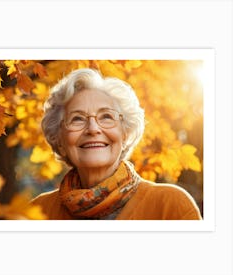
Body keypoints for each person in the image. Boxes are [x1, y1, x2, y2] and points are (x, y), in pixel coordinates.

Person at [31, 68, 202, 220]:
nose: (93, 128)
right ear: (59, 139)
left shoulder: (170, 206)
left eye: (106, 116)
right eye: (77, 119)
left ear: (125, 133)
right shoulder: (38, 212)